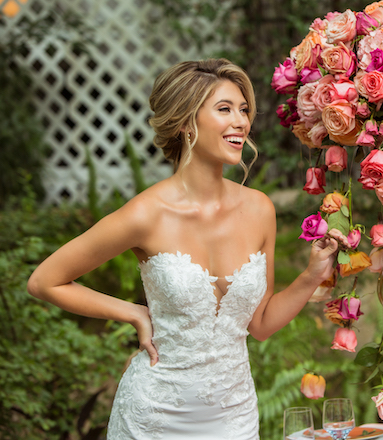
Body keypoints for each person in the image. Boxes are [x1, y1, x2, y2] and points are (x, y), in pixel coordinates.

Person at [27, 59, 338, 439]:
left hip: (235, 419)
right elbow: (45, 281)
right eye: (224, 109)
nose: (241, 121)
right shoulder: (147, 214)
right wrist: (135, 313)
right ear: (188, 123)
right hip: (154, 418)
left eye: (243, 110)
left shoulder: (259, 209)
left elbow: (259, 324)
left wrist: (311, 276)